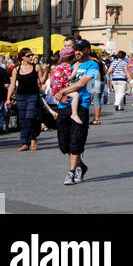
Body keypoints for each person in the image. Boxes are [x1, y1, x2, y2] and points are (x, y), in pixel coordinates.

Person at [57, 41, 99, 186]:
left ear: (88, 50)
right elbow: (59, 80)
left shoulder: (93, 65)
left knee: (76, 140)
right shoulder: (70, 64)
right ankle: (81, 165)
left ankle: (71, 172)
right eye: (76, 50)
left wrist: (62, 91)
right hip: (64, 105)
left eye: (80, 50)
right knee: (63, 143)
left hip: (81, 105)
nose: (77, 52)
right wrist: (58, 93)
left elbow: (82, 83)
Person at [7, 48, 45, 151]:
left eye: (31, 55)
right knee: (23, 120)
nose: (31, 57)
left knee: (30, 117)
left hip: (33, 95)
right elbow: (12, 85)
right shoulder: (16, 69)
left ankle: (33, 138)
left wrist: (45, 71)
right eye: (29, 55)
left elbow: (41, 80)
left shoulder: (36, 67)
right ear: (22, 57)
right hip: (21, 96)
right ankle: (24, 142)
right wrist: (8, 98)